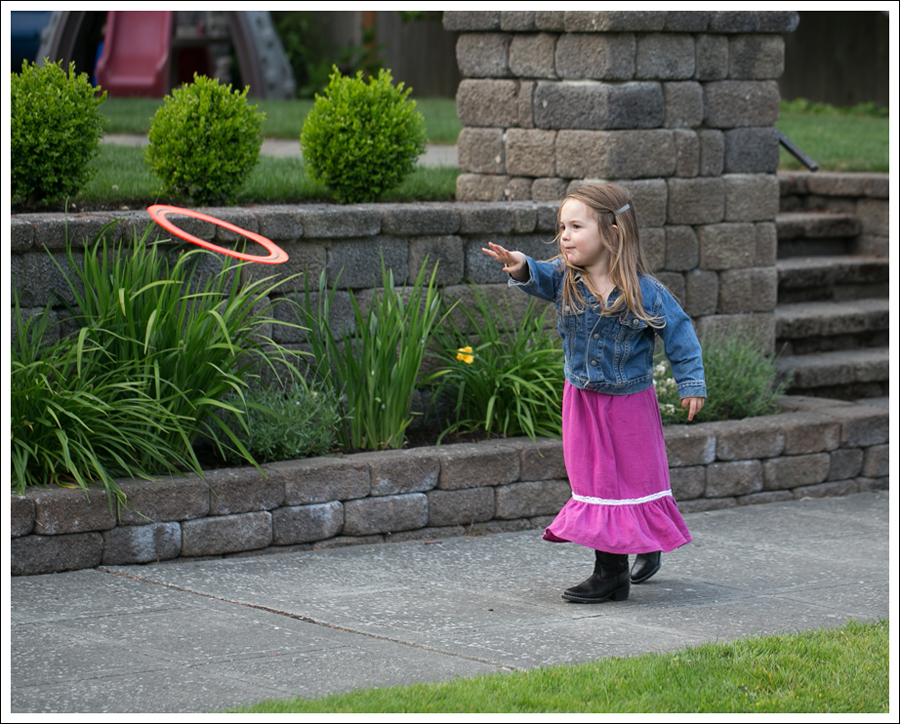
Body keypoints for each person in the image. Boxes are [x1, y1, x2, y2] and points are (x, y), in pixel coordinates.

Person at [482, 184, 706, 603]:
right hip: (583, 402)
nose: (564, 236)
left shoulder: (645, 291)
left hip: (630, 404)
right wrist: (520, 265)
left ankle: (624, 561)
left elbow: (680, 334)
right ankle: (612, 570)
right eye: (562, 227)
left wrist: (691, 383)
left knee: (632, 480)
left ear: (611, 232)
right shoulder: (565, 278)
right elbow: (538, 274)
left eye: (576, 227)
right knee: (598, 483)